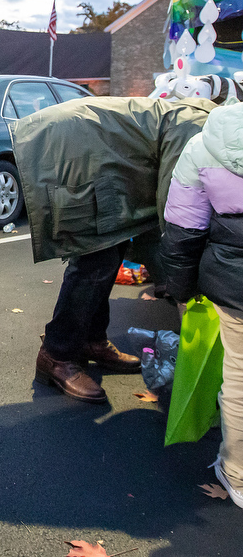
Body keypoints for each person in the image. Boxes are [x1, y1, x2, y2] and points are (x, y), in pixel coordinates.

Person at [12, 96, 217, 404]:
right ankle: (56, 354)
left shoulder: (210, 121)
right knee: (95, 258)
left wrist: (167, 276)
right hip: (78, 151)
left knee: (110, 249)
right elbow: (173, 205)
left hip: (98, 155)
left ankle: (90, 342)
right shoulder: (199, 127)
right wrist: (181, 282)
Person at [161, 100, 243, 509]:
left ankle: (237, 473)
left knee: (240, 378)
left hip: (234, 284)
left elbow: (183, 229)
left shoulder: (204, 144)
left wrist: (183, 291)